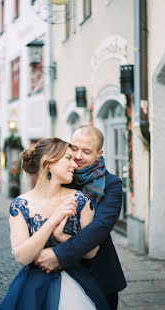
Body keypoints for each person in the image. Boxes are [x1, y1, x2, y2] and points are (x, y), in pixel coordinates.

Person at [0, 137, 111, 310]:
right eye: (68, 158)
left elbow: (91, 253)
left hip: (77, 283)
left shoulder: (80, 200)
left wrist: (62, 236)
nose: (74, 165)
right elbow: (22, 256)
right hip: (33, 289)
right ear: (48, 162)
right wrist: (53, 220)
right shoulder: (20, 205)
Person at [35, 127, 127, 310]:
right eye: (74, 148)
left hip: (97, 271)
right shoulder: (62, 175)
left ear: (99, 153)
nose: (77, 156)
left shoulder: (112, 184)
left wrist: (59, 255)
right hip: (56, 275)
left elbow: (99, 227)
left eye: (86, 151)